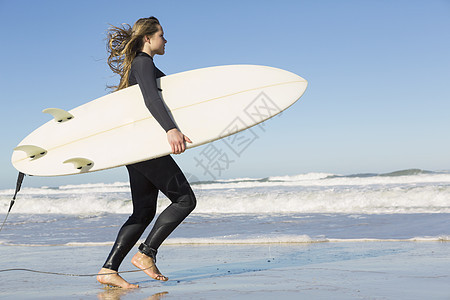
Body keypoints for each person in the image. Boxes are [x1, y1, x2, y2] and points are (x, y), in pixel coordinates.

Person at [97, 17, 196, 289]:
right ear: (148, 39)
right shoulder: (143, 63)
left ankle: (108, 270)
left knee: (143, 212)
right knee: (185, 200)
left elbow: (176, 97)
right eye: (162, 35)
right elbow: (152, 99)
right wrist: (171, 129)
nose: (165, 40)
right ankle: (146, 254)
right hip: (145, 148)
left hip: (135, 148)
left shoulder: (141, 67)